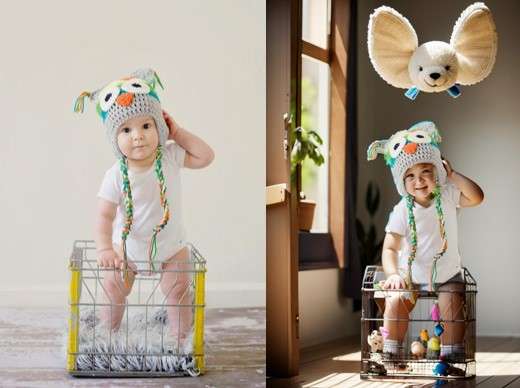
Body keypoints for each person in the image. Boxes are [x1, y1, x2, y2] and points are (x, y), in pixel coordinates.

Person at [74, 68, 214, 352]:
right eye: (126, 130)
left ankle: (179, 342)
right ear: (115, 138)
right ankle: (107, 335)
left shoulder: (171, 156)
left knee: (179, 292)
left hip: (171, 247)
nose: (137, 136)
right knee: (113, 288)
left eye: (146, 126)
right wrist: (105, 250)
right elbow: (104, 216)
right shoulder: (115, 174)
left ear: (160, 127)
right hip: (126, 250)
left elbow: (205, 156)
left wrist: (178, 133)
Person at [367, 121, 483, 364]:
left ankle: (451, 354)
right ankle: (391, 351)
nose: (418, 181)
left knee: (452, 301)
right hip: (410, 274)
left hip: (446, 273)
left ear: (438, 171)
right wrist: (392, 274)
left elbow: (477, 197)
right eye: (410, 176)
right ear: (401, 182)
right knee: (395, 301)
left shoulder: (449, 195)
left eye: (425, 172)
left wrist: (452, 175)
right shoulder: (401, 210)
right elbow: (390, 247)